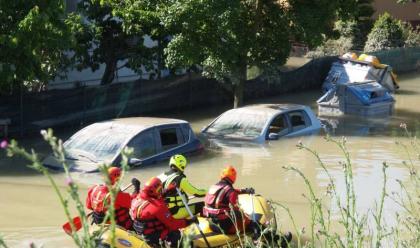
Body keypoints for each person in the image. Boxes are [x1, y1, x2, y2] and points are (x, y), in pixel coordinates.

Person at [130, 177, 197, 247]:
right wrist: (189, 222)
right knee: (180, 236)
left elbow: (153, 198)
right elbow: (173, 224)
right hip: (156, 237)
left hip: (144, 234)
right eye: (159, 190)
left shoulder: (138, 197)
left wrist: (167, 191)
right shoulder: (157, 207)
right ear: (153, 191)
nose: (161, 191)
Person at [203, 165, 255, 235]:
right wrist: (248, 220)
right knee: (253, 224)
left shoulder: (214, 186)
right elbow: (236, 211)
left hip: (211, 224)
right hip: (224, 227)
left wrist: (244, 191)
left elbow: (225, 192)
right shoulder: (230, 191)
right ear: (233, 177)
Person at [158, 154, 207, 219]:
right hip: (175, 212)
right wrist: (208, 192)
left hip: (163, 212)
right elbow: (197, 193)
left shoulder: (160, 176)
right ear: (182, 165)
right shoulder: (180, 179)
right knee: (202, 205)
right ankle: (204, 226)